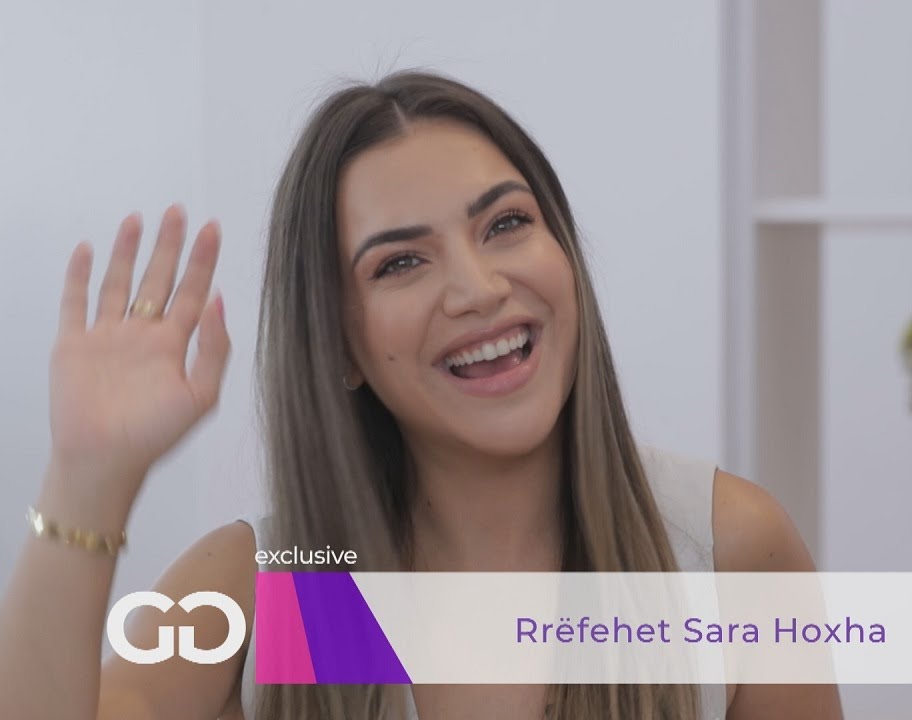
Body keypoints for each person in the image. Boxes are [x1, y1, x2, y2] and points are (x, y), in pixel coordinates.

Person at [0, 70, 842, 719]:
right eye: (400, 262)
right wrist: (87, 476)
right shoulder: (289, 591)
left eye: (505, 224)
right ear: (339, 345)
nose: (478, 289)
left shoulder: (720, 552)